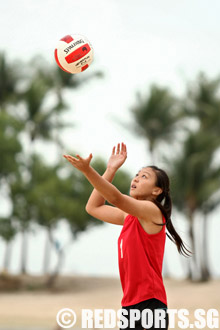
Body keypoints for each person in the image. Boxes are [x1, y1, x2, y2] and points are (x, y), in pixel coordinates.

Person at [63, 142, 191, 330]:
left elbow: (115, 198)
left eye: (144, 176)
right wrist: (110, 169)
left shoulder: (153, 211)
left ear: (157, 191)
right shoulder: (129, 216)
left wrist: (88, 171)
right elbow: (93, 207)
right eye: (137, 175)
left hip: (150, 304)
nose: (137, 179)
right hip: (130, 305)